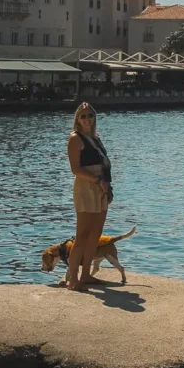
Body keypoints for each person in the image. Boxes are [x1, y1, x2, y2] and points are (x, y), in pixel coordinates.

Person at [65, 102, 112, 291]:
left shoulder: (95, 138)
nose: (86, 119)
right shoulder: (75, 139)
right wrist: (97, 181)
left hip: (101, 186)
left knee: (96, 233)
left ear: (94, 118)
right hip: (87, 186)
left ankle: (86, 274)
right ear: (77, 119)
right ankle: (73, 278)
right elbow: (75, 169)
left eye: (90, 115)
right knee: (82, 234)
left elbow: (105, 164)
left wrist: (108, 188)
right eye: (82, 116)